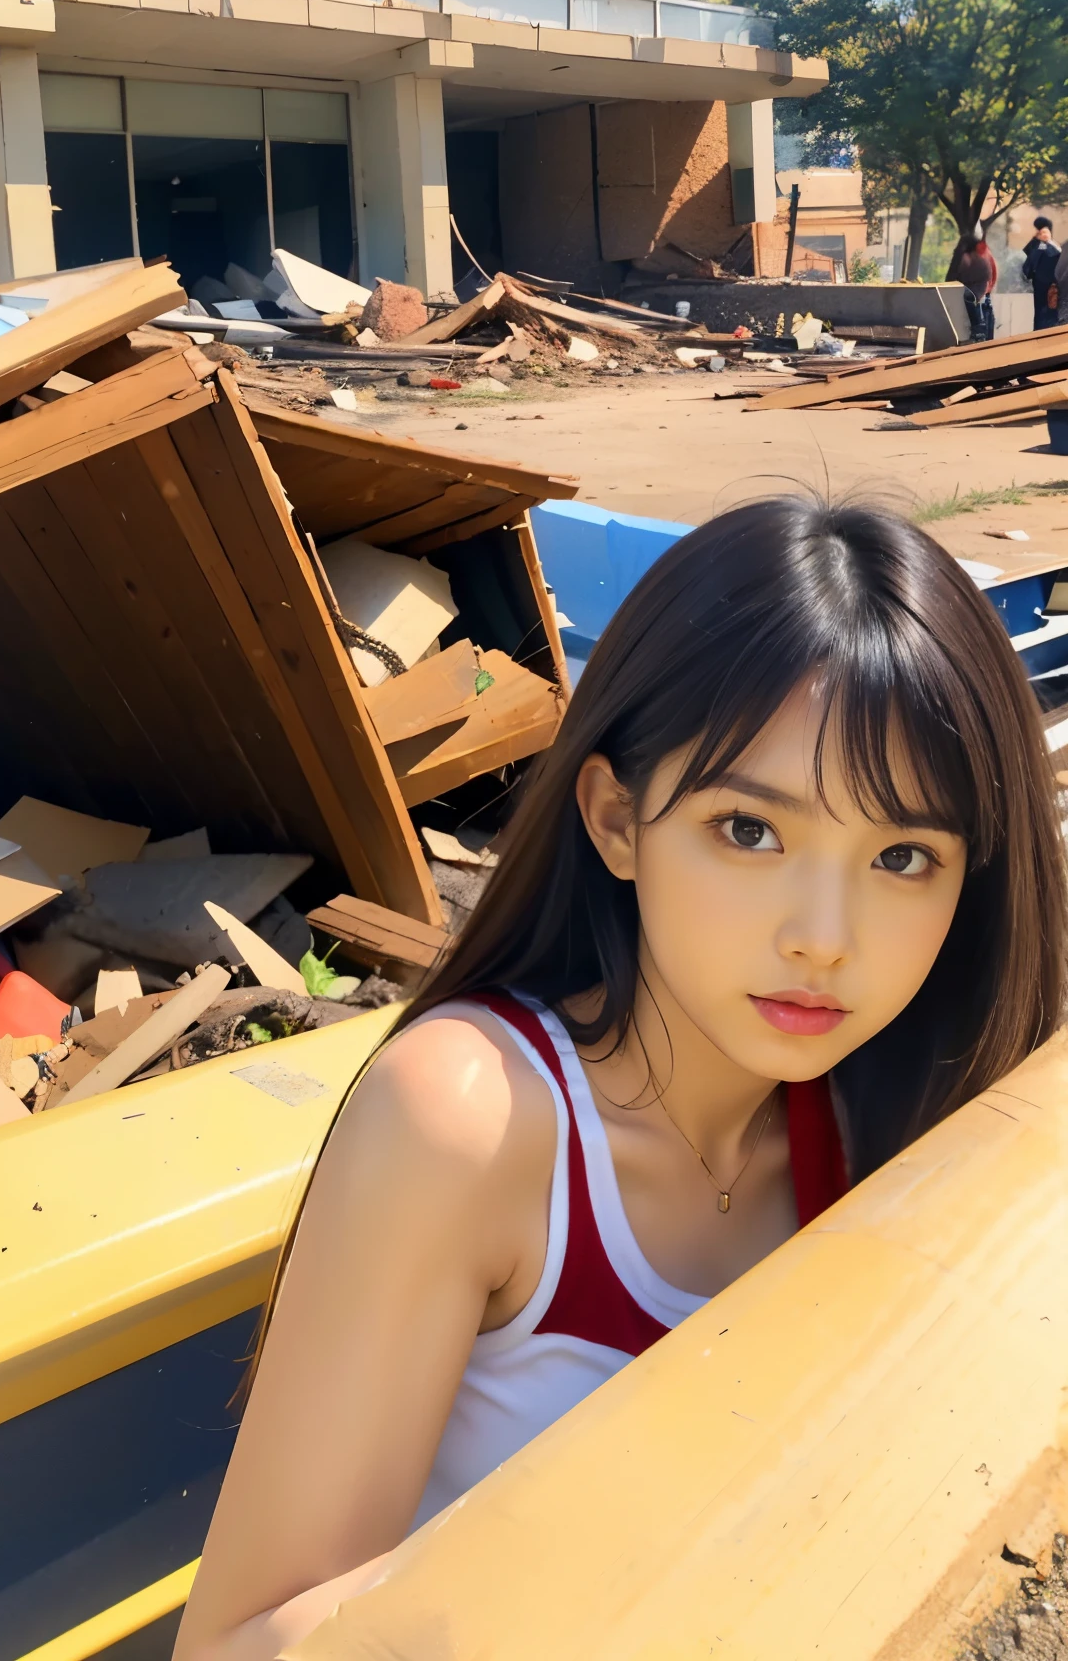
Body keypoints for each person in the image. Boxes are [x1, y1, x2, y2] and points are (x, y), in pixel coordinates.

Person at [175, 500, 1066, 1661]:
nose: (822, 935)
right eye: (749, 830)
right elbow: (237, 1643)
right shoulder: (476, 1124)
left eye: (901, 857)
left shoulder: (883, 1112)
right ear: (614, 818)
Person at [946, 231, 997, 341]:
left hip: (970, 296)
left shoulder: (964, 258)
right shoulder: (982, 257)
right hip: (981, 294)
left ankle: (975, 332)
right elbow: (992, 273)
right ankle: (978, 332)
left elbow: (950, 277)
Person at [1022, 218, 1061, 329]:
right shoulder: (1041, 246)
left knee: (1044, 315)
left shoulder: (1043, 246)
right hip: (1046, 287)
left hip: (1046, 287)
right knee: (1046, 315)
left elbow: (1028, 267)